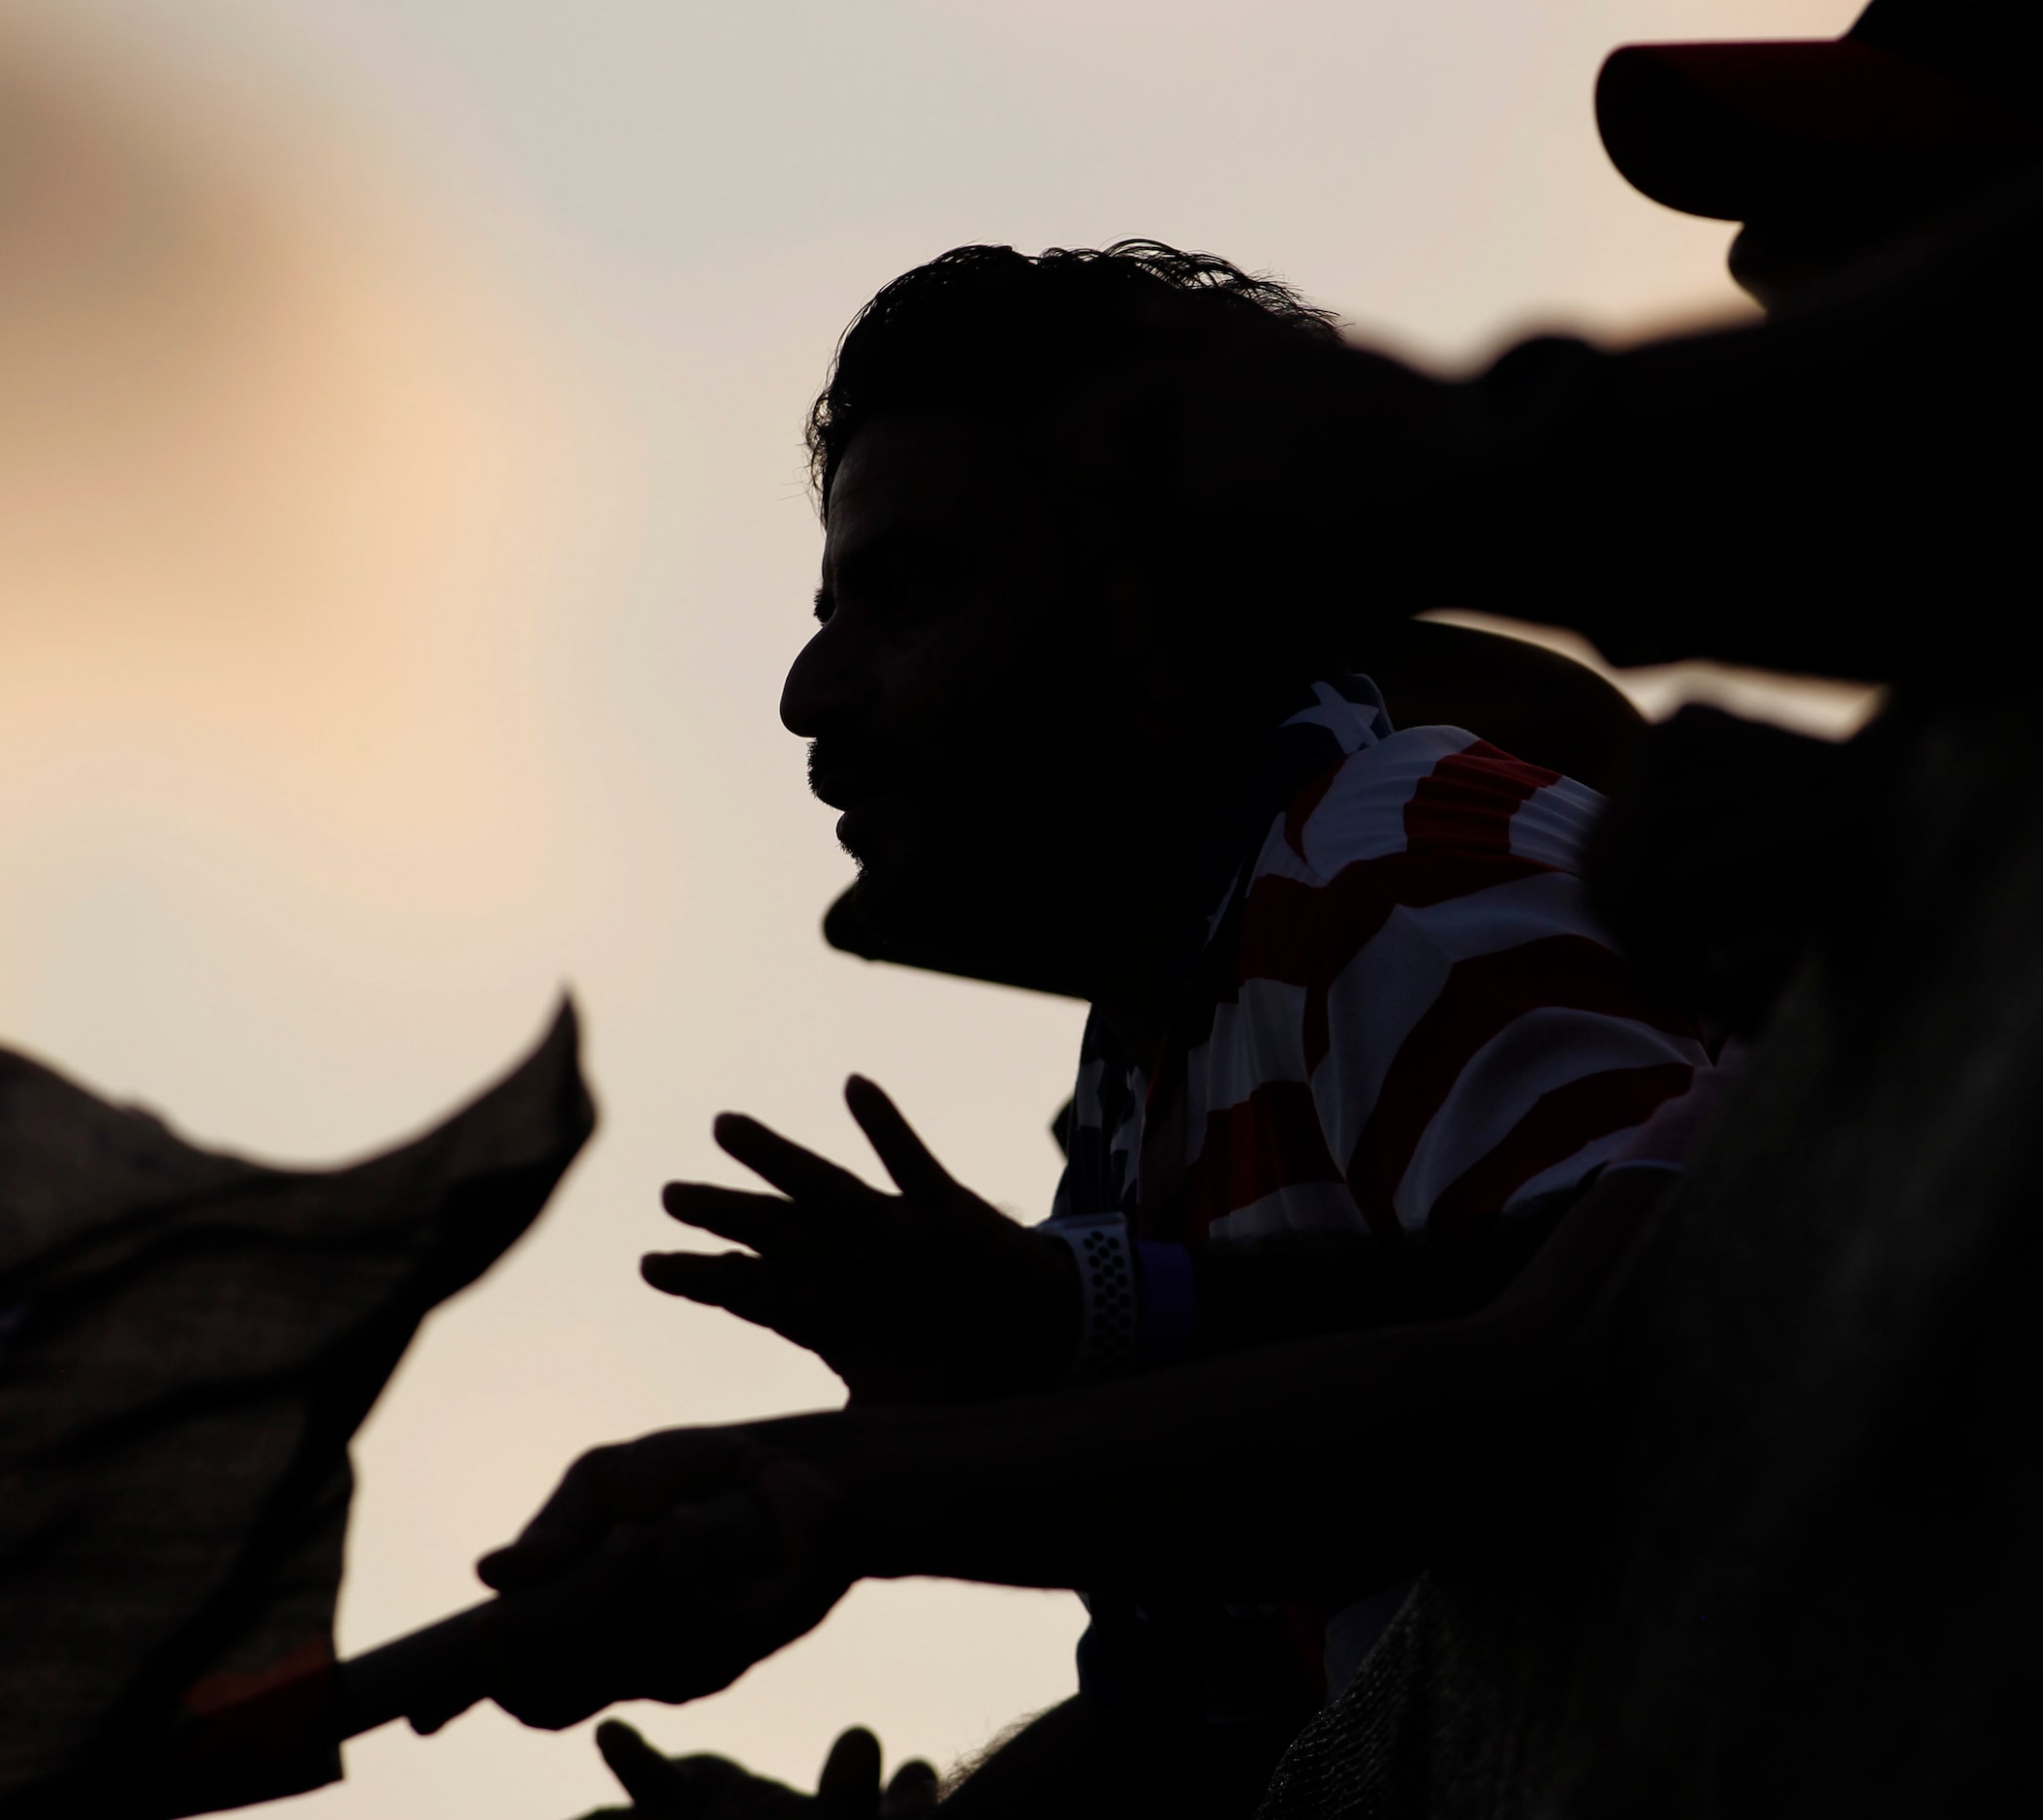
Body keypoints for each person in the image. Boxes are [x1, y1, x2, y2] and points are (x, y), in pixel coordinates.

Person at [523, 240, 1709, 1816]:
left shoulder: (1400, 864)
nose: (812, 691)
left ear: (1169, 619)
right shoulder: (1151, 1062)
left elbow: (1662, 1319)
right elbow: (1204, 1712)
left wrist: (945, 1417)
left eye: (908, 593)